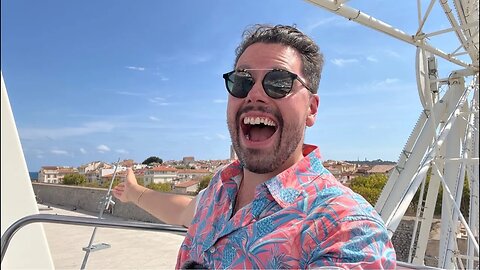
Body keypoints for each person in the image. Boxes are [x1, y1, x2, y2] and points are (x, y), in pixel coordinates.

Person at [113, 24, 397, 269]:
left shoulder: (347, 227)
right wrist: (134, 192)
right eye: (242, 81)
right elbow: (184, 211)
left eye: (280, 82)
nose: (255, 93)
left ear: (311, 108)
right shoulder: (221, 188)